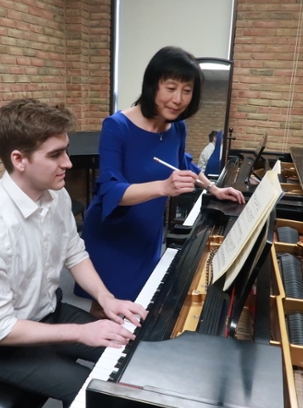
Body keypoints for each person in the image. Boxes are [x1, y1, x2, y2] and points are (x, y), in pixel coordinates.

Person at [0, 98, 147, 408]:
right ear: (19, 159)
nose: (69, 163)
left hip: (49, 314)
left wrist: (107, 298)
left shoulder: (56, 195)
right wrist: (83, 331)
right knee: (91, 394)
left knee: (130, 351)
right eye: (55, 155)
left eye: (66, 150)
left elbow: (74, 251)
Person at [76, 46, 245, 316]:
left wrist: (213, 187)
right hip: (114, 236)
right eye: (170, 88)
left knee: (143, 304)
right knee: (108, 312)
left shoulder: (177, 127)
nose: (178, 99)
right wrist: (163, 187)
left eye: (187, 90)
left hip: (148, 235)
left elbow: (184, 163)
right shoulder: (117, 126)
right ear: (153, 85)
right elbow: (109, 190)